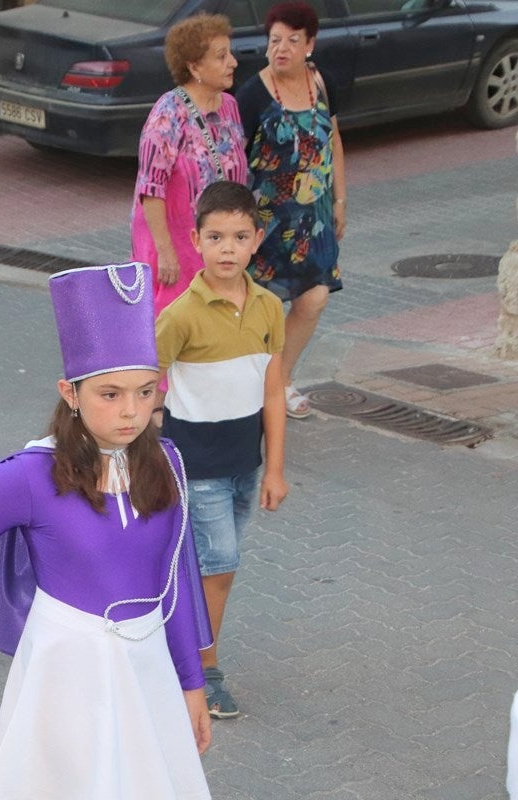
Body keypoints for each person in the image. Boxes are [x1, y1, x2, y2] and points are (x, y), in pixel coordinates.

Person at [0, 262, 213, 799]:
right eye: (110, 394)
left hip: (146, 666)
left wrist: (191, 683)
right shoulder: (29, 476)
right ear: (70, 392)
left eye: (145, 392)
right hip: (68, 671)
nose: (131, 411)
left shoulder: (167, 463)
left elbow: (172, 584)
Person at [154, 180, 288, 719]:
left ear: (257, 239)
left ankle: (175, 650)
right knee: (220, 563)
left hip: (244, 466)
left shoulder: (269, 308)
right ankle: (202, 671)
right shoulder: (180, 316)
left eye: (238, 236)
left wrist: (275, 467)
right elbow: (145, 379)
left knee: (212, 567)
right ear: (196, 240)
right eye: (215, 237)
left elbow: (273, 391)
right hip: (196, 465)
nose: (227, 248)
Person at [236, 1, 345, 419]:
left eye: (291, 41)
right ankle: (257, 390)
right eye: (274, 40)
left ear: (309, 45)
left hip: (314, 220)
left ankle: (279, 379)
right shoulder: (252, 95)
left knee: (314, 298)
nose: (281, 48)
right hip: (266, 223)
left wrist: (340, 200)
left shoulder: (322, 83)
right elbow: (235, 161)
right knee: (260, 308)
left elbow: (333, 141)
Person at [131, 13, 247, 317]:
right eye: (221, 57)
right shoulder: (168, 115)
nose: (233, 62)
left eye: (230, 53)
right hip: (176, 248)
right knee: (176, 330)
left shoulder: (230, 107)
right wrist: (165, 252)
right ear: (194, 66)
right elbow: (150, 188)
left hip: (218, 242)